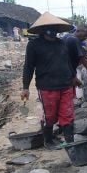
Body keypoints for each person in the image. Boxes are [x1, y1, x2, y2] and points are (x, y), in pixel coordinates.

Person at [21, 12, 80, 149]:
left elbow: (68, 63)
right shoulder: (34, 45)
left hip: (66, 85)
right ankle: (48, 141)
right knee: (50, 116)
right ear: (42, 29)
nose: (52, 30)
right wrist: (25, 87)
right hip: (47, 86)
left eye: (54, 27)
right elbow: (28, 67)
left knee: (67, 114)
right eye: (49, 27)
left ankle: (70, 141)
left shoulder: (61, 44)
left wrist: (73, 77)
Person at [63, 25, 87, 103]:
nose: (86, 37)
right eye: (85, 35)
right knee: (67, 99)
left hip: (66, 72)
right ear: (78, 31)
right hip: (67, 75)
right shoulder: (74, 40)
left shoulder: (67, 36)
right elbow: (84, 60)